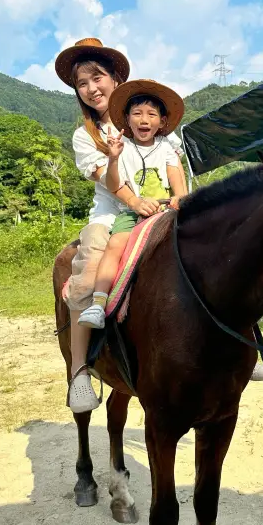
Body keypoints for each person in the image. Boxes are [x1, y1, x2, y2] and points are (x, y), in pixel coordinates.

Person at [54, 39, 187, 414]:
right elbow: (106, 178)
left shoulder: (146, 122)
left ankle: (238, 342)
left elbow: (174, 167)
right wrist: (136, 203)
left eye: (98, 77)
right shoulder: (86, 136)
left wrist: (179, 200)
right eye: (82, 83)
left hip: (161, 210)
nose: (92, 88)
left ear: (115, 78)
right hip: (112, 216)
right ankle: (80, 369)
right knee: (90, 263)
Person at [78, 79, 187, 332]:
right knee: (115, 244)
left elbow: (177, 180)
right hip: (132, 211)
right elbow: (113, 184)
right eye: (137, 114)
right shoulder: (120, 147)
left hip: (166, 211)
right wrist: (113, 159)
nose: (144, 119)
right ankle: (98, 302)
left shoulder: (167, 148)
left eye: (151, 114)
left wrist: (179, 198)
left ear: (162, 121)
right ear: (126, 119)